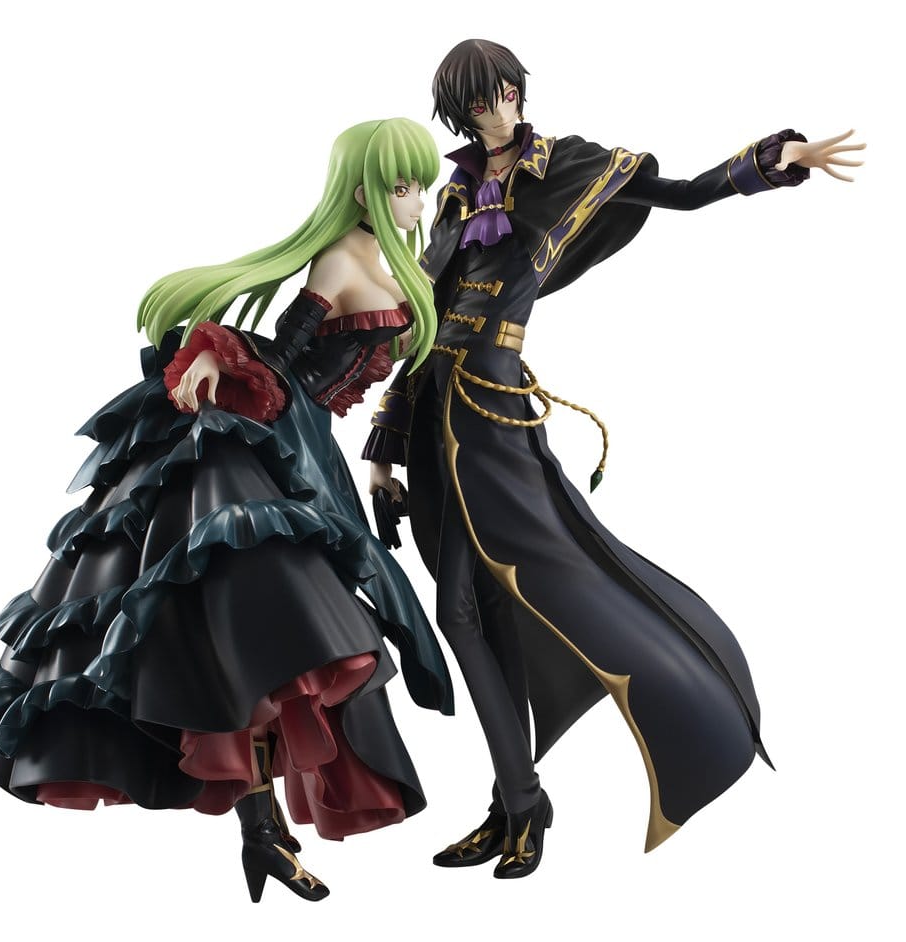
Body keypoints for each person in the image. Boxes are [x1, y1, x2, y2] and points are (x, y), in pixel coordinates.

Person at [365, 40, 864, 878]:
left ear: (517, 91)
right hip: (432, 413)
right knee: (468, 612)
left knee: (509, 593)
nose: (489, 113)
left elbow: (684, 193)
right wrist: (383, 452)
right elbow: (422, 324)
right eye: (472, 106)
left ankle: (528, 800)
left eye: (496, 95)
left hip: (492, 416)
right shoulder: (451, 195)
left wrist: (770, 162)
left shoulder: (572, 165)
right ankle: (516, 803)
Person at [0, 117, 453, 904]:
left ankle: (262, 832)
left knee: (283, 644)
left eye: (420, 185)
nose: (417, 201)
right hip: (277, 449)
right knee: (281, 640)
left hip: (314, 451)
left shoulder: (384, 260)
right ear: (362, 193)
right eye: (402, 187)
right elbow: (288, 353)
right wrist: (217, 351)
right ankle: (261, 830)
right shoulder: (341, 259)